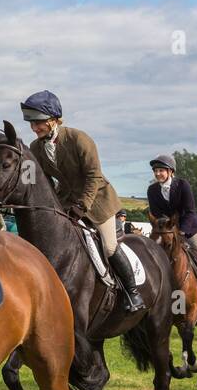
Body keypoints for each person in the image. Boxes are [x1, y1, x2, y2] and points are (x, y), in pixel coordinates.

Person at [21, 91, 143, 312]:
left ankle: (131, 293)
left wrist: (82, 205)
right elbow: (44, 182)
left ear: (53, 119)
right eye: (31, 123)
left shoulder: (79, 139)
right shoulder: (36, 148)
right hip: (68, 202)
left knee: (108, 246)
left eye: (38, 122)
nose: (34, 128)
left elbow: (94, 176)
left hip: (97, 202)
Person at [146, 153, 197, 302]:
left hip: (189, 227)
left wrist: (182, 231)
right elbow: (157, 214)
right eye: (156, 171)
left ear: (171, 171)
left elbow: (190, 211)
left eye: (161, 170)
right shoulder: (152, 190)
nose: (158, 173)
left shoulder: (182, 185)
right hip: (166, 230)